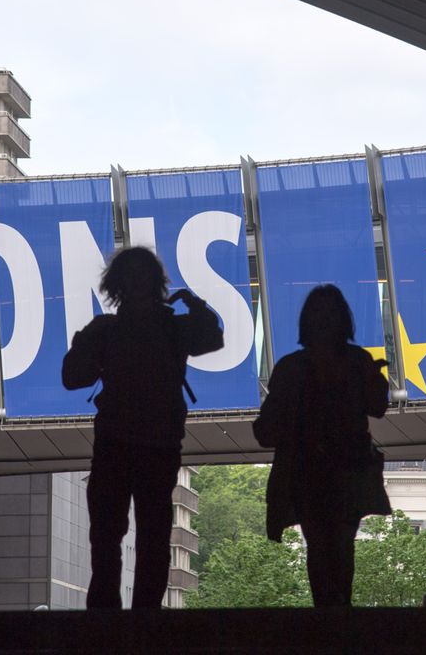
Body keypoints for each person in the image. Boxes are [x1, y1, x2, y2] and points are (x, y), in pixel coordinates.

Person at [61, 247, 223, 608]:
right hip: (157, 443)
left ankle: (106, 615)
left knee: (108, 535)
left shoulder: (107, 330)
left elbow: (72, 377)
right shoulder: (172, 328)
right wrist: (194, 304)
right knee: (151, 535)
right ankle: (144, 617)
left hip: (117, 442)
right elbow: (213, 337)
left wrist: (84, 346)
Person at [254, 285, 390, 607]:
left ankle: (325, 614)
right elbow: (377, 407)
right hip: (347, 469)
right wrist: (375, 380)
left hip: (308, 470)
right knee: (341, 544)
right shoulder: (357, 362)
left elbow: (268, 427)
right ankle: (340, 611)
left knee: (319, 544)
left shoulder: (292, 368)